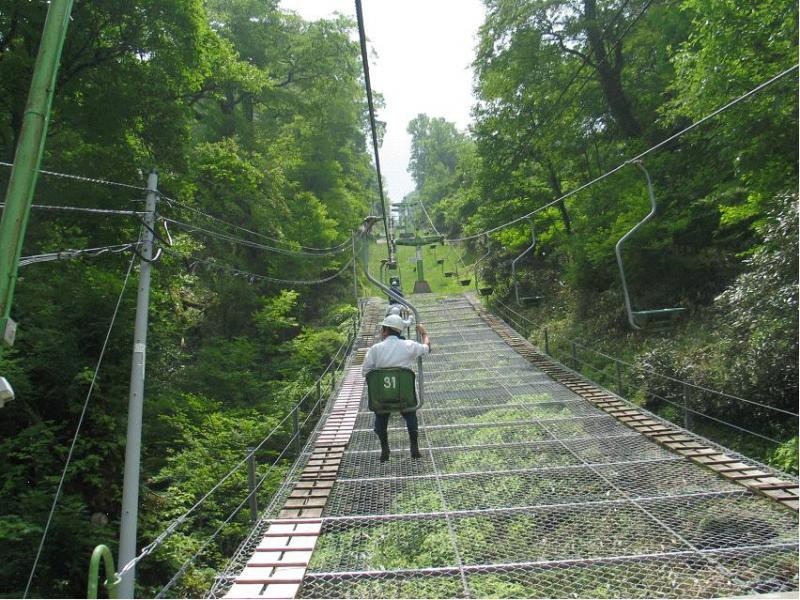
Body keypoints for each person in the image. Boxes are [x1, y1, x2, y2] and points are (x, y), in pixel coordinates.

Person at [362, 314, 431, 461]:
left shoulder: (375, 349)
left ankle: (384, 448)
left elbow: (366, 372)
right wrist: (424, 333)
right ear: (399, 331)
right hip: (404, 396)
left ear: (385, 331)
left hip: (382, 398)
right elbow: (426, 348)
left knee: (381, 414)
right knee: (410, 413)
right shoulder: (408, 345)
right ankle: (414, 446)